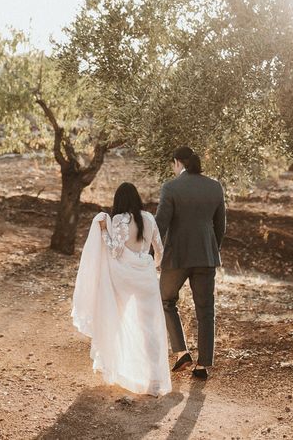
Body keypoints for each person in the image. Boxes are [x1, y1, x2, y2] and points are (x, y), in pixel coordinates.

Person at [72, 182, 171, 396]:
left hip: (125, 279)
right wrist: (150, 266)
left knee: (116, 318)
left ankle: (118, 368)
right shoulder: (150, 218)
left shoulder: (119, 219)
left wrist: (105, 230)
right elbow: (159, 250)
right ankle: (154, 379)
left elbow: (115, 250)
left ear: (120, 201)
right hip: (146, 278)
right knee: (150, 329)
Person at [156, 146, 226, 380]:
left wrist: (149, 253)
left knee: (165, 300)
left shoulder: (171, 187)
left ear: (177, 163)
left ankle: (181, 352)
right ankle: (203, 365)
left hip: (177, 256)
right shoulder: (215, 186)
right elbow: (220, 226)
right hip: (206, 257)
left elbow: (160, 225)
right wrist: (211, 250)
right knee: (206, 310)